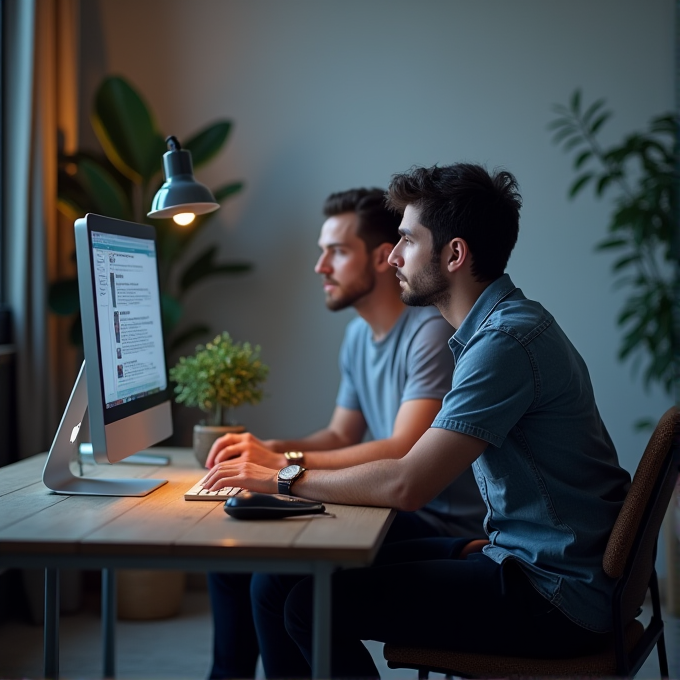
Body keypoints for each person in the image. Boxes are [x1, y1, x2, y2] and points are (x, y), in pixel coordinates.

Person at [202, 164, 633, 679]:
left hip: (551, 593)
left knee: (307, 605)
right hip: (529, 561)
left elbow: (408, 482)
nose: (394, 255)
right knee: (278, 587)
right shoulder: (500, 330)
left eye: (406, 239)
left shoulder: (504, 344)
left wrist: (281, 477)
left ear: (454, 254)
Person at [204, 187, 486, 679]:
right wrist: (270, 450)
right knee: (229, 557)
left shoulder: (430, 332)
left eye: (336, 251)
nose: (320, 266)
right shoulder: (359, 334)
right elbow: (339, 435)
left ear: (381, 257)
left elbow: (403, 450)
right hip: (384, 501)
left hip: (438, 519)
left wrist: (281, 469)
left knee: (274, 579)